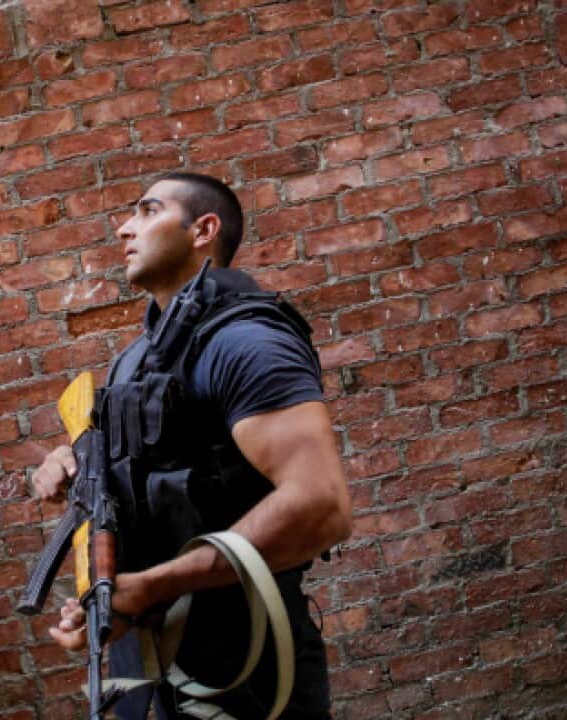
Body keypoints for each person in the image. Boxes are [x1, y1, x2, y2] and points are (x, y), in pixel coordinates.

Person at [32, 172, 353, 718]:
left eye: (148, 210)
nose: (123, 228)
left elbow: (321, 507)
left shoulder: (246, 342)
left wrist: (154, 586)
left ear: (204, 229)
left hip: (244, 662)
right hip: (147, 667)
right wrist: (69, 463)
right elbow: (144, 484)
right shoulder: (137, 358)